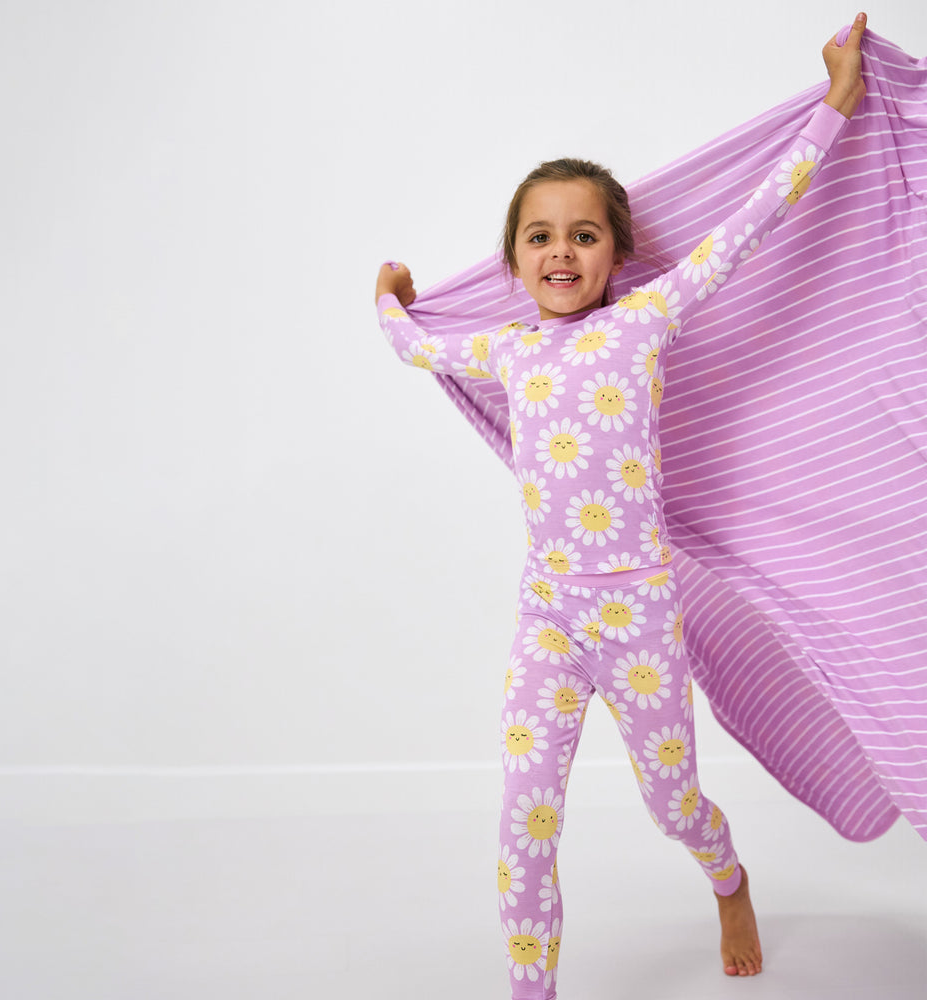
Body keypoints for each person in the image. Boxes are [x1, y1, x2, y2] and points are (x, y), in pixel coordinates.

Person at [374, 14, 868, 995]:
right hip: (548, 615)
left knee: (672, 804)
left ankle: (727, 876)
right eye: (540, 236)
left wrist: (839, 101)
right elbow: (416, 347)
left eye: (584, 234)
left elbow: (752, 225)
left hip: (637, 616)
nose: (561, 251)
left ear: (616, 254)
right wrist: (392, 296)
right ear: (513, 260)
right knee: (524, 820)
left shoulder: (647, 319)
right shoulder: (506, 348)